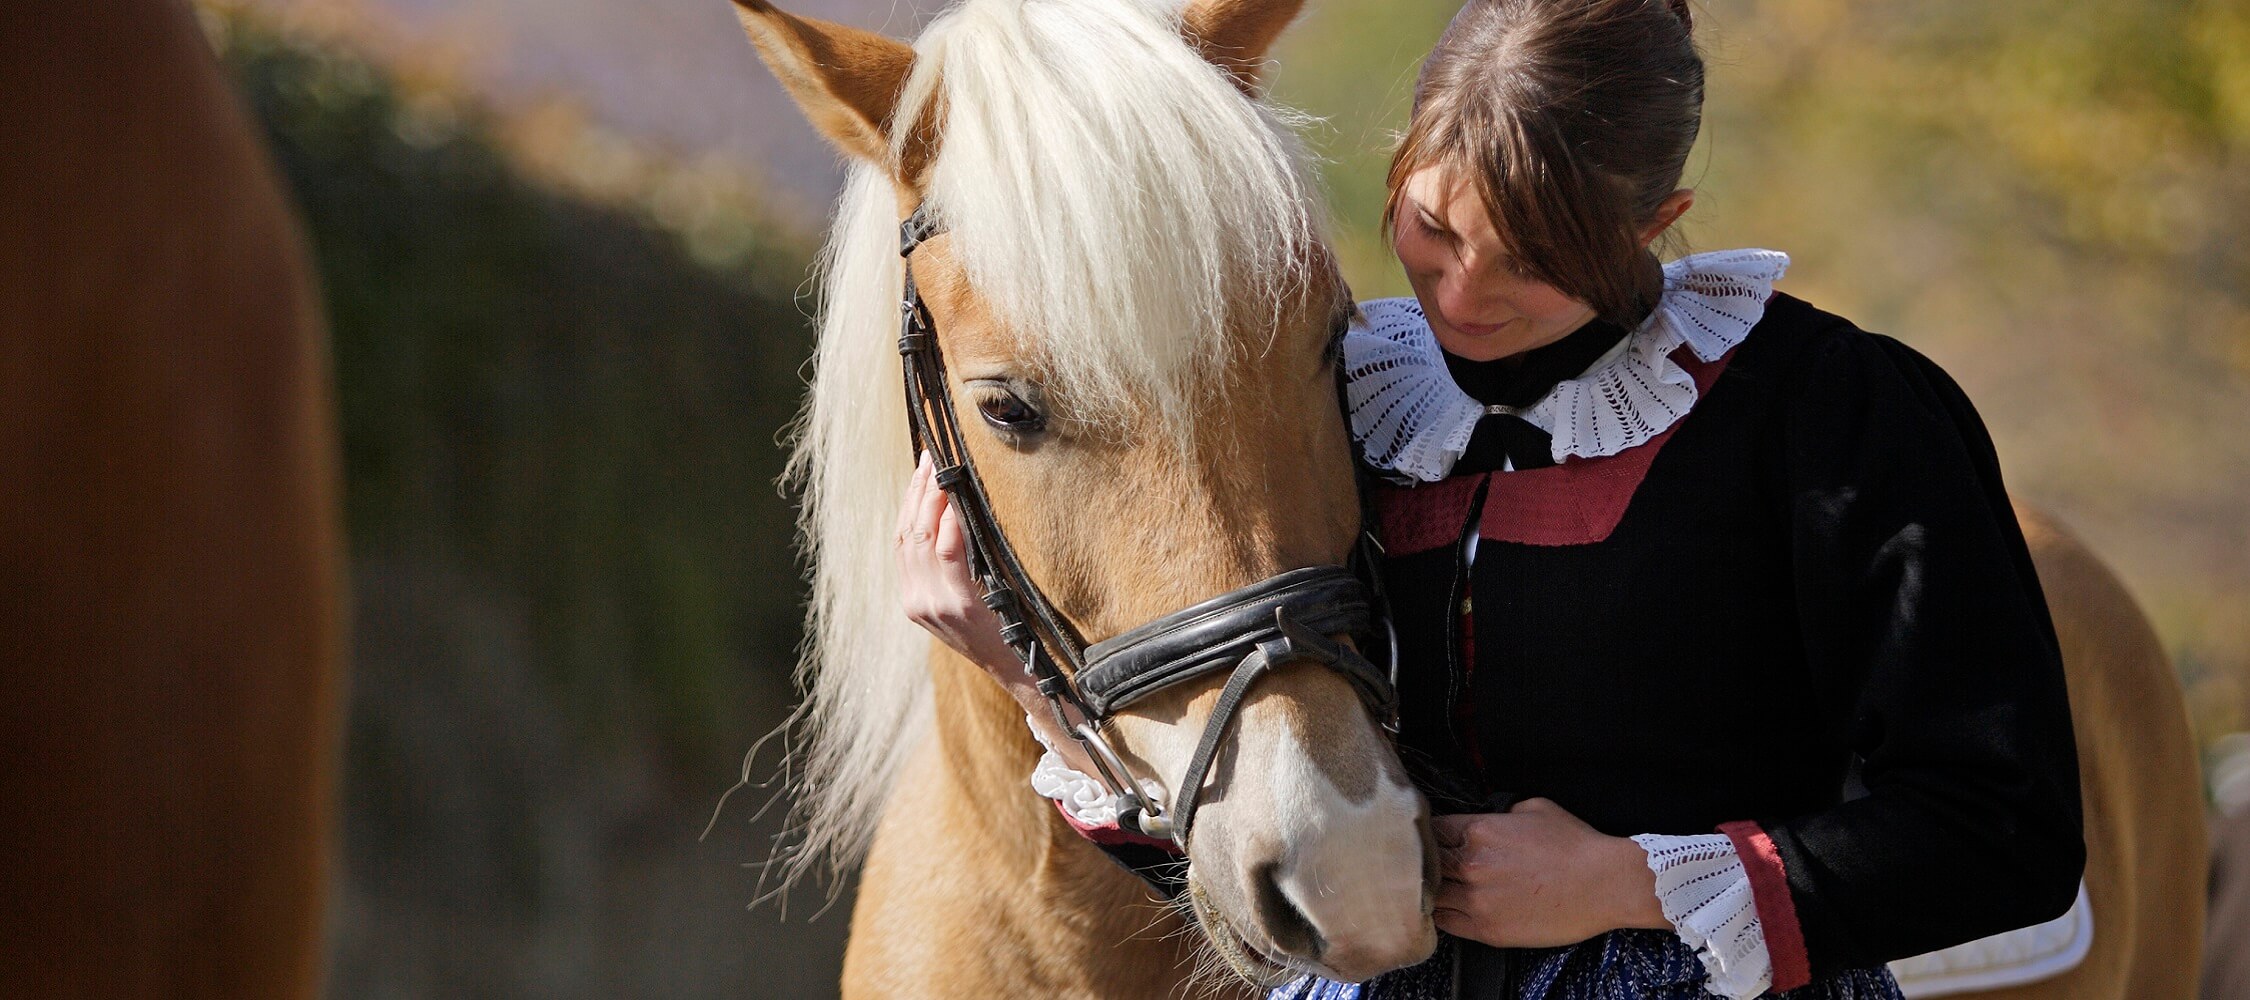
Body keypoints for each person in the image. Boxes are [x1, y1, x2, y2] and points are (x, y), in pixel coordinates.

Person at [894, 0, 2086, 997]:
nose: (1464, 294)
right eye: (1431, 226)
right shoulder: (1350, 397)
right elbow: (1260, 813)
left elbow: (2004, 834)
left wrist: (1625, 879)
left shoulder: (1833, 412)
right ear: (1404, 157)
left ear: (1652, 226)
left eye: (1531, 259)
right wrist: (1017, 673)